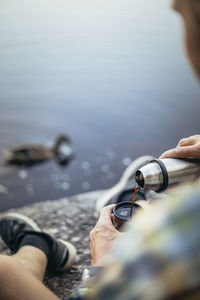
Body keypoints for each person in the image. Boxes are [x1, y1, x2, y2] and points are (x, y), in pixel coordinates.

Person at [0, 0, 200, 299]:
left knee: (4, 274)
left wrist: (105, 269)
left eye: (181, 13)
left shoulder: (179, 241)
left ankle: (37, 244)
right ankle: (128, 199)